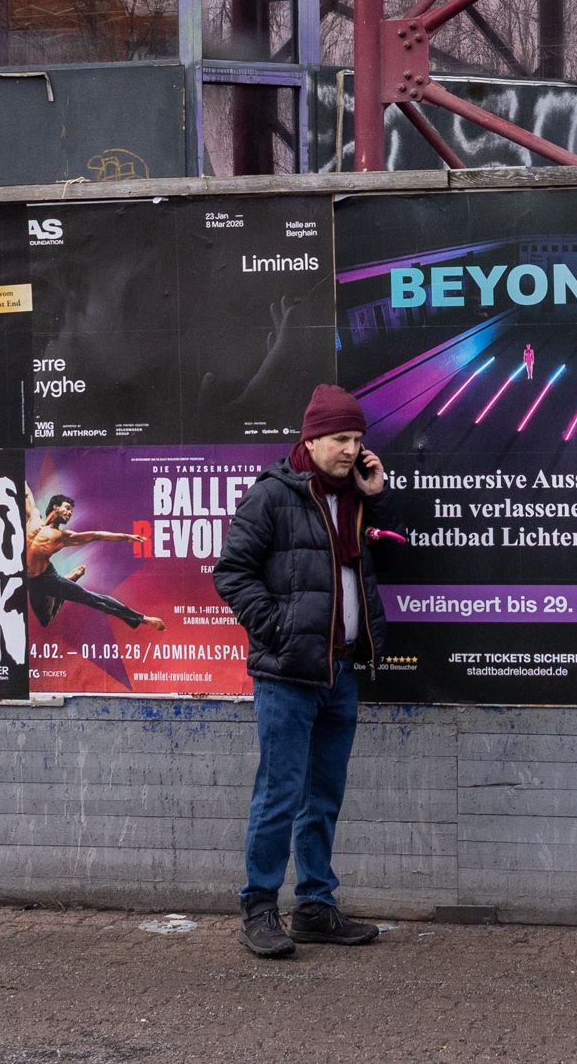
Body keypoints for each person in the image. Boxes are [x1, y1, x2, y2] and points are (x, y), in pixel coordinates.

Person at [214, 383, 390, 960]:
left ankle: (315, 907)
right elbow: (231, 573)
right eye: (341, 438)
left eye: (358, 439)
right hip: (288, 676)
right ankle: (259, 908)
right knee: (280, 793)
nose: (351, 449)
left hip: (340, 672)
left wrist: (375, 496)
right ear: (310, 440)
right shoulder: (273, 496)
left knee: (324, 796)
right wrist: (281, 629)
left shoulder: (354, 496)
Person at [26, 492, 164, 633]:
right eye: (67, 508)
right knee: (45, 620)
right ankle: (68, 581)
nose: (69, 513)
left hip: (47, 577)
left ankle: (143, 619)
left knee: (92, 599)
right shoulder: (34, 517)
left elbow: (96, 535)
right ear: (55, 506)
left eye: (71, 512)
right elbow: (26, 493)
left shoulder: (63, 537)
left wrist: (126, 537)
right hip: (31, 581)